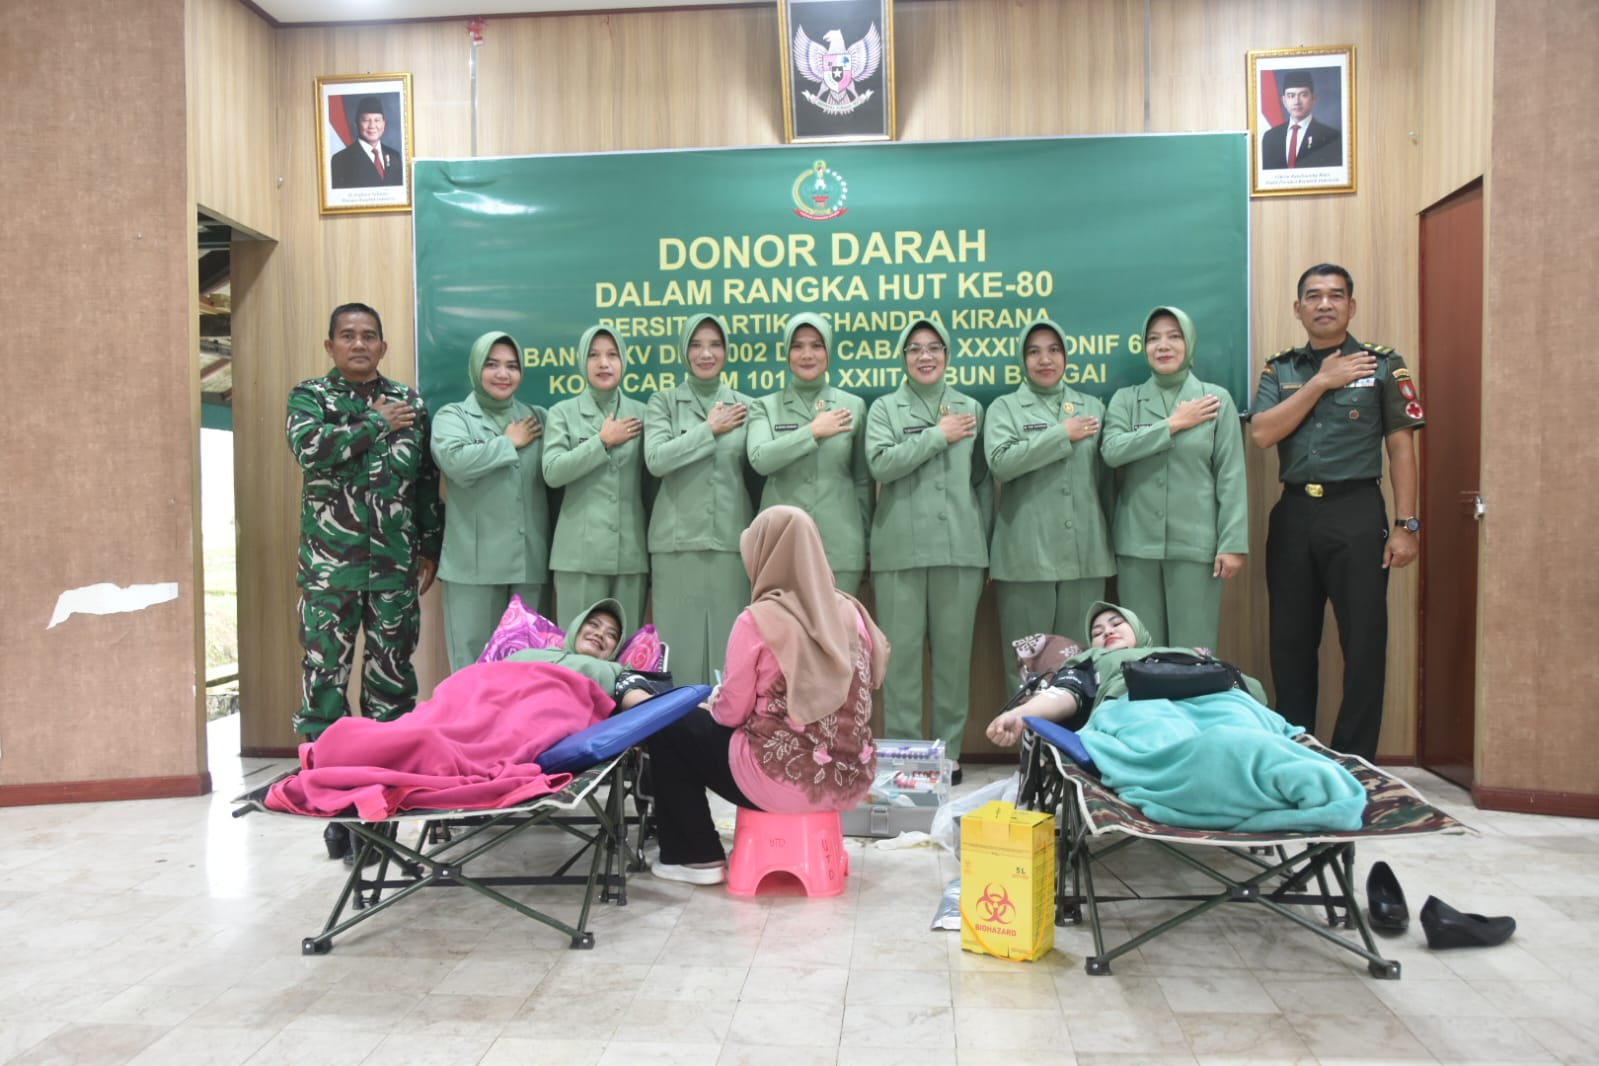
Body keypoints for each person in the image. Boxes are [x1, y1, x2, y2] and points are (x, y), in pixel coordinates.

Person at [644, 506, 887, 885]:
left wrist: (713, 702)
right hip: (850, 778)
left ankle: (695, 857)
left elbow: (731, 714)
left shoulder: (758, 619)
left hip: (783, 782)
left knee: (670, 722)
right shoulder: (851, 612)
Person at [1249, 263, 1425, 761]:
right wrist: (1321, 382)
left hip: (1357, 512)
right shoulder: (1280, 369)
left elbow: (1401, 449)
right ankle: (1297, 754)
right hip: (1294, 514)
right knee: (1290, 644)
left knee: (1364, 643)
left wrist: (1406, 525)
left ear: (1351, 305)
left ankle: (1357, 759)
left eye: (1335, 295)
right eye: (1313, 295)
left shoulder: (1383, 364)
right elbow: (1262, 433)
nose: (1324, 304)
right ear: (1298, 308)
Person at [286, 302, 443, 742]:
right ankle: (324, 766)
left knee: (392, 675)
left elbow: (425, 482)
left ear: (382, 347)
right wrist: (376, 422)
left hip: (395, 565)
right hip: (330, 568)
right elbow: (309, 448)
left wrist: (430, 546)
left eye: (368, 336)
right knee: (324, 674)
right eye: (348, 335)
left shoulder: (410, 403)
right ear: (330, 345)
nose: (359, 344)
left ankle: (386, 766)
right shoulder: (311, 396)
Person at [866, 317, 988, 782]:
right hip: (899, 550)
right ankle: (906, 754)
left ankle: (948, 752)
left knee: (953, 661)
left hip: (960, 550)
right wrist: (937, 435)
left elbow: (981, 482)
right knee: (899, 662)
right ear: (903, 357)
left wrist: (983, 546)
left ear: (947, 355)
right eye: (915, 348)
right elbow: (881, 464)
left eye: (934, 347)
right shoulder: (884, 409)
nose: (925, 356)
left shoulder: (971, 408)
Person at [1101, 306, 1248, 651]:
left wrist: (1232, 543)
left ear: (1189, 342)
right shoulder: (1127, 399)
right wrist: (1173, 424)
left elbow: (1230, 475)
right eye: (1153, 338)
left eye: (1174, 336)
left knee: (1194, 652)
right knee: (1142, 653)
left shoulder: (1216, 400)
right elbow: (1112, 451)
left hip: (1196, 546)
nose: (1163, 345)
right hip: (1136, 545)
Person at [987, 315, 1115, 667]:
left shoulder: (1092, 408)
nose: (1045, 359)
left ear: (1065, 356)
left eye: (1054, 350)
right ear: (1022, 359)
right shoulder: (1004, 408)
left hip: (1085, 557)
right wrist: (1061, 434)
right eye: (1034, 352)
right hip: (1025, 559)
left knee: (1081, 666)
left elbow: (1105, 484)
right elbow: (1001, 464)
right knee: (1028, 670)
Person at [643, 313, 756, 686]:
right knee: (679, 656)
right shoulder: (662, 402)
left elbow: (758, 471)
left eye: (715, 345)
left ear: (726, 351)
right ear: (683, 351)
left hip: (730, 543)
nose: (706, 354)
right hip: (675, 545)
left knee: (731, 656)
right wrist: (709, 429)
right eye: (696, 345)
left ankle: (725, 727)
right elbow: (657, 460)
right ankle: (680, 726)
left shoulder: (746, 406)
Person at [430, 331, 551, 672]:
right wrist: (507, 443)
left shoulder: (537, 418)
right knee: (473, 670)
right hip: (473, 567)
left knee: (528, 669)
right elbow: (455, 463)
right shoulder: (453, 417)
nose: (503, 374)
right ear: (475, 368)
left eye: (512, 366)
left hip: (528, 565)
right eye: (492, 364)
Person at [986, 601, 1267, 746]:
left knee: (1249, 735)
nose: (1107, 631)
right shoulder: (1089, 660)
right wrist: (1018, 716)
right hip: (1133, 706)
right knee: (1177, 740)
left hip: (1213, 702)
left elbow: (1249, 689)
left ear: (1139, 630)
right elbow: (1062, 695)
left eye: (1117, 623)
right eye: (1097, 632)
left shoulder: (1184, 653)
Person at [745, 313, 872, 592]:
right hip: (780, 544)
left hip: (841, 545)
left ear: (829, 351)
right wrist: (813, 431)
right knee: (783, 622)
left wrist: (865, 543)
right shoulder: (764, 406)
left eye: (816, 345)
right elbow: (760, 459)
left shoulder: (853, 406)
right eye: (797, 346)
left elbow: (863, 481)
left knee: (837, 621)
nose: (807, 354)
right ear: (786, 353)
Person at [542, 325, 650, 630]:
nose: (604, 363)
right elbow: (553, 472)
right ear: (582, 361)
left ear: (623, 361)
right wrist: (602, 441)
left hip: (630, 555)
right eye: (594, 355)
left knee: (626, 649)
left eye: (612, 355)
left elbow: (652, 484)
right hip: (578, 556)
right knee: (578, 647)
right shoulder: (563, 413)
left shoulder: (642, 413)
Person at [506, 598, 661, 708]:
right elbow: (494, 681)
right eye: (593, 624)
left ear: (615, 649)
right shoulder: (526, 655)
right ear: (576, 627)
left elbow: (643, 702)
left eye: (611, 635)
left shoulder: (617, 672)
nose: (599, 634)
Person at [1261, 70, 1342, 170]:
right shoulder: (1270, 137)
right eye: (1291, 96)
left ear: (1313, 98)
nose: (1297, 102)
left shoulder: (1331, 137)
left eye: (1303, 95)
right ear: (1284, 101)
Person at [329, 95, 404, 188]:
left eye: (377, 120)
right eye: (366, 120)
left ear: (383, 124)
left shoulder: (394, 156)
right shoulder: (340, 160)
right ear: (356, 124)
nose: (372, 126)